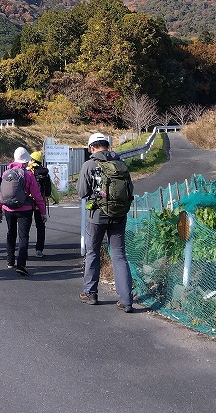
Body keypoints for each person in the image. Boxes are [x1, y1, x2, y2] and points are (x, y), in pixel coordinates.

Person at [77, 132, 135, 312]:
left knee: (92, 252)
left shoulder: (89, 165)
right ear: (107, 146)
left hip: (96, 215)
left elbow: (82, 192)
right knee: (119, 255)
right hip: (119, 215)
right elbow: (130, 188)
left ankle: (90, 293)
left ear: (92, 147)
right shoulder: (121, 164)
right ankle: (126, 300)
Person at [0, 147, 46, 276]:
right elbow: (37, 195)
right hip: (25, 209)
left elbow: (0, 194)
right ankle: (21, 264)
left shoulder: (5, 174)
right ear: (26, 161)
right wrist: (43, 211)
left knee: (10, 233)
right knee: (23, 236)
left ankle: (10, 261)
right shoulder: (28, 175)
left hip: (8, 209)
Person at [28, 151, 52, 258]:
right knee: (40, 226)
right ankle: (39, 250)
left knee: (25, 226)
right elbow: (48, 192)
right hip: (40, 202)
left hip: (27, 202)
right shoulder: (45, 173)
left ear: (32, 160)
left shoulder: (28, 171)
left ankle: (23, 249)